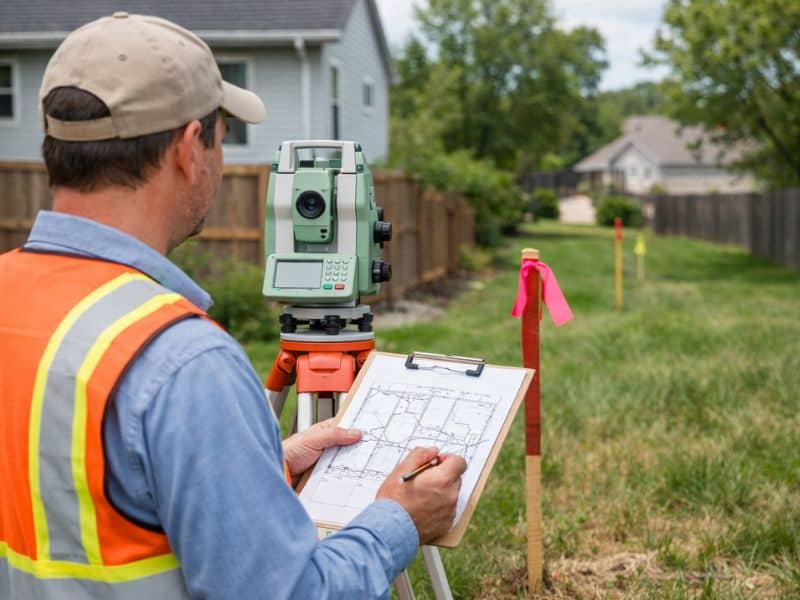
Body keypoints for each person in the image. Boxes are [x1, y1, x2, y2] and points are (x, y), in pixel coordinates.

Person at [0, 13, 466, 599]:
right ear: (190, 149)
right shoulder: (183, 364)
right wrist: (399, 521)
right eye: (222, 136)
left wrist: (255, 465)